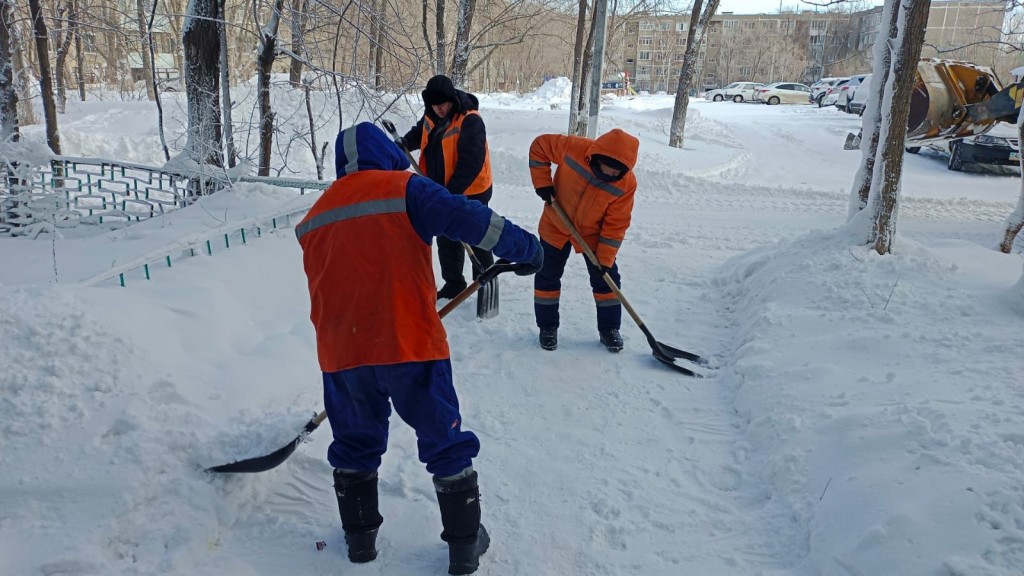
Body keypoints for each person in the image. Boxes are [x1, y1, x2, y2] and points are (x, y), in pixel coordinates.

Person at [296, 122, 542, 575]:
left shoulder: (314, 216)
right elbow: (471, 218)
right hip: (408, 343)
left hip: (341, 354)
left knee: (354, 444)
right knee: (444, 441)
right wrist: (528, 249)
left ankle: (360, 543)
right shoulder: (404, 189)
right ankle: (464, 548)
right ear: (386, 154)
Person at [527, 128, 640, 353]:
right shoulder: (575, 149)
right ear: (596, 158)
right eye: (603, 169)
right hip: (555, 223)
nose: (607, 175)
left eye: (613, 173)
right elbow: (539, 146)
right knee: (547, 275)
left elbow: (616, 225)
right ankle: (547, 327)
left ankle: (609, 328)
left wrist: (605, 260)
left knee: (606, 279)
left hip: (592, 235)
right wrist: (543, 184)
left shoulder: (626, 184)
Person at [400, 74, 494, 300]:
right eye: (434, 105)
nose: (439, 109)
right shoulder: (430, 115)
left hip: (472, 189)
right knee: (446, 235)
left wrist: (450, 193)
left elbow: (471, 162)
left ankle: (484, 282)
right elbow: (418, 133)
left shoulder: (469, 119)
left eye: (442, 104)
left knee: (476, 234)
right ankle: (454, 284)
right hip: (439, 188)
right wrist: (402, 144)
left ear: (451, 99)